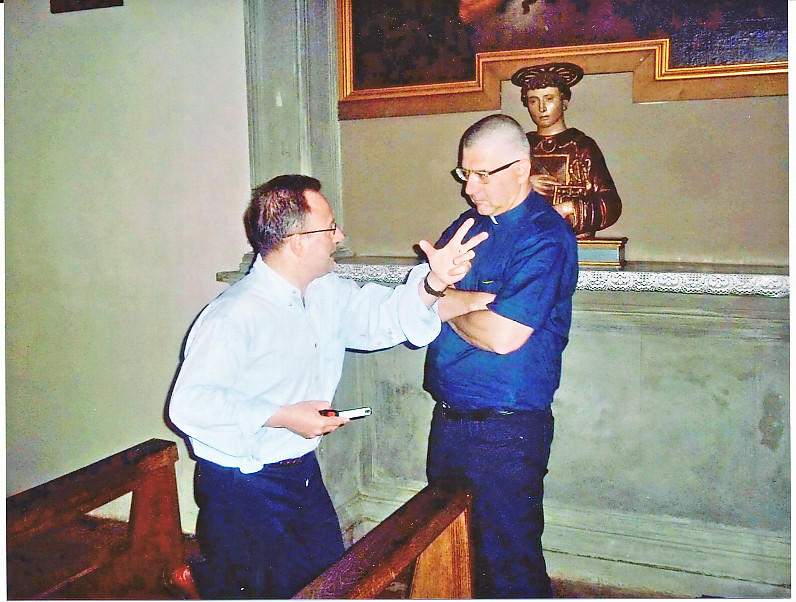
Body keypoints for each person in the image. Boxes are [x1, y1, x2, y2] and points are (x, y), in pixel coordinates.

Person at [167, 174, 487, 599]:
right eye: (330, 227)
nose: (340, 235)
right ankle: (207, 581)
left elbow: (382, 318)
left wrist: (433, 283)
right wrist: (282, 415)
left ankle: (208, 581)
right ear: (298, 240)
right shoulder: (234, 314)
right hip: (242, 488)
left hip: (298, 475)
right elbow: (189, 406)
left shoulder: (324, 293)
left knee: (329, 586)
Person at [423, 114, 578, 598]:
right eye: (464, 173)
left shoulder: (544, 236)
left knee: (510, 567)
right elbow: (423, 297)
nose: (470, 188)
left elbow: (504, 337)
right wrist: (467, 303)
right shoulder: (466, 225)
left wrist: (448, 302)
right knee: (453, 555)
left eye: (483, 174)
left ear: (523, 168)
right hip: (450, 419)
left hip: (505, 430)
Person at [511, 62, 622, 238]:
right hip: (528, 242)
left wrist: (568, 208)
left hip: (575, 242)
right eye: (534, 101)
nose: (541, 108)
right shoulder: (519, 148)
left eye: (549, 99)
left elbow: (611, 204)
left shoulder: (582, 147)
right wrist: (526, 186)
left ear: (564, 102)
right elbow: (498, 196)